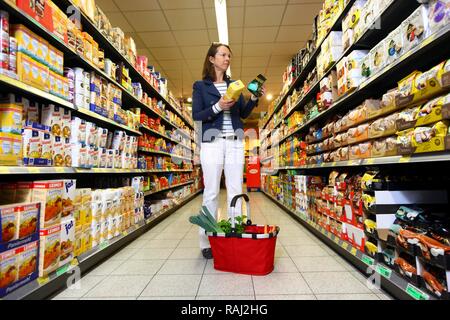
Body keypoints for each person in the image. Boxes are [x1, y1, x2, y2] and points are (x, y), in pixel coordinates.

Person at [192, 42, 265, 259]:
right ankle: (206, 240)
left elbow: (242, 113)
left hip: (234, 141)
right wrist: (218, 107)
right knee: (212, 191)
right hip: (211, 141)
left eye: (229, 56)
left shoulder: (235, 85)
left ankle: (235, 233)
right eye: (223, 55)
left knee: (235, 189)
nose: (227, 59)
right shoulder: (200, 86)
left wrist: (253, 97)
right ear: (212, 59)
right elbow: (197, 114)